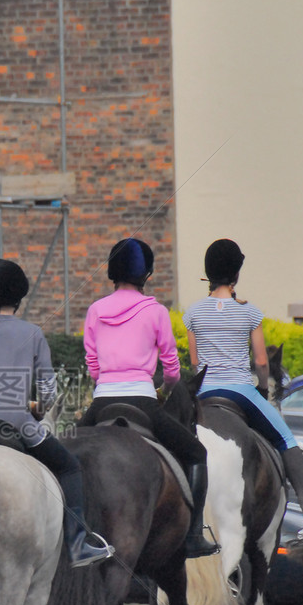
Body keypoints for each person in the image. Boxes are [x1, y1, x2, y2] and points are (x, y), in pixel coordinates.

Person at [0, 258, 112, 568]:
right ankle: (78, 544)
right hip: (18, 424)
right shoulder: (33, 333)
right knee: (69, 468)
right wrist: (36, 410)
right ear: (18, 295)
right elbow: (48, 393)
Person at [80, 237, 219, 558]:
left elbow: (92, 365)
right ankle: (194, 535)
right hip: (143, 399)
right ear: (147, 275)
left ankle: (71, 534)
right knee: (196, 453)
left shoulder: (95, 310)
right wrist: (167, 389)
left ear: (112, 273)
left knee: (65, 455)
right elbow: (171, 366)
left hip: (102, 402)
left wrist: (105, 381)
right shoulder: (155, 311)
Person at [184, 238, 303, 524]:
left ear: (209, 274)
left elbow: (194, 363)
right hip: (240, 391)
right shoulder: (249, 311)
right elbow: (262, 363)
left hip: (204, 394)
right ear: (236, 275)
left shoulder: (193, 313)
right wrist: (263, 388)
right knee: (286, 438)